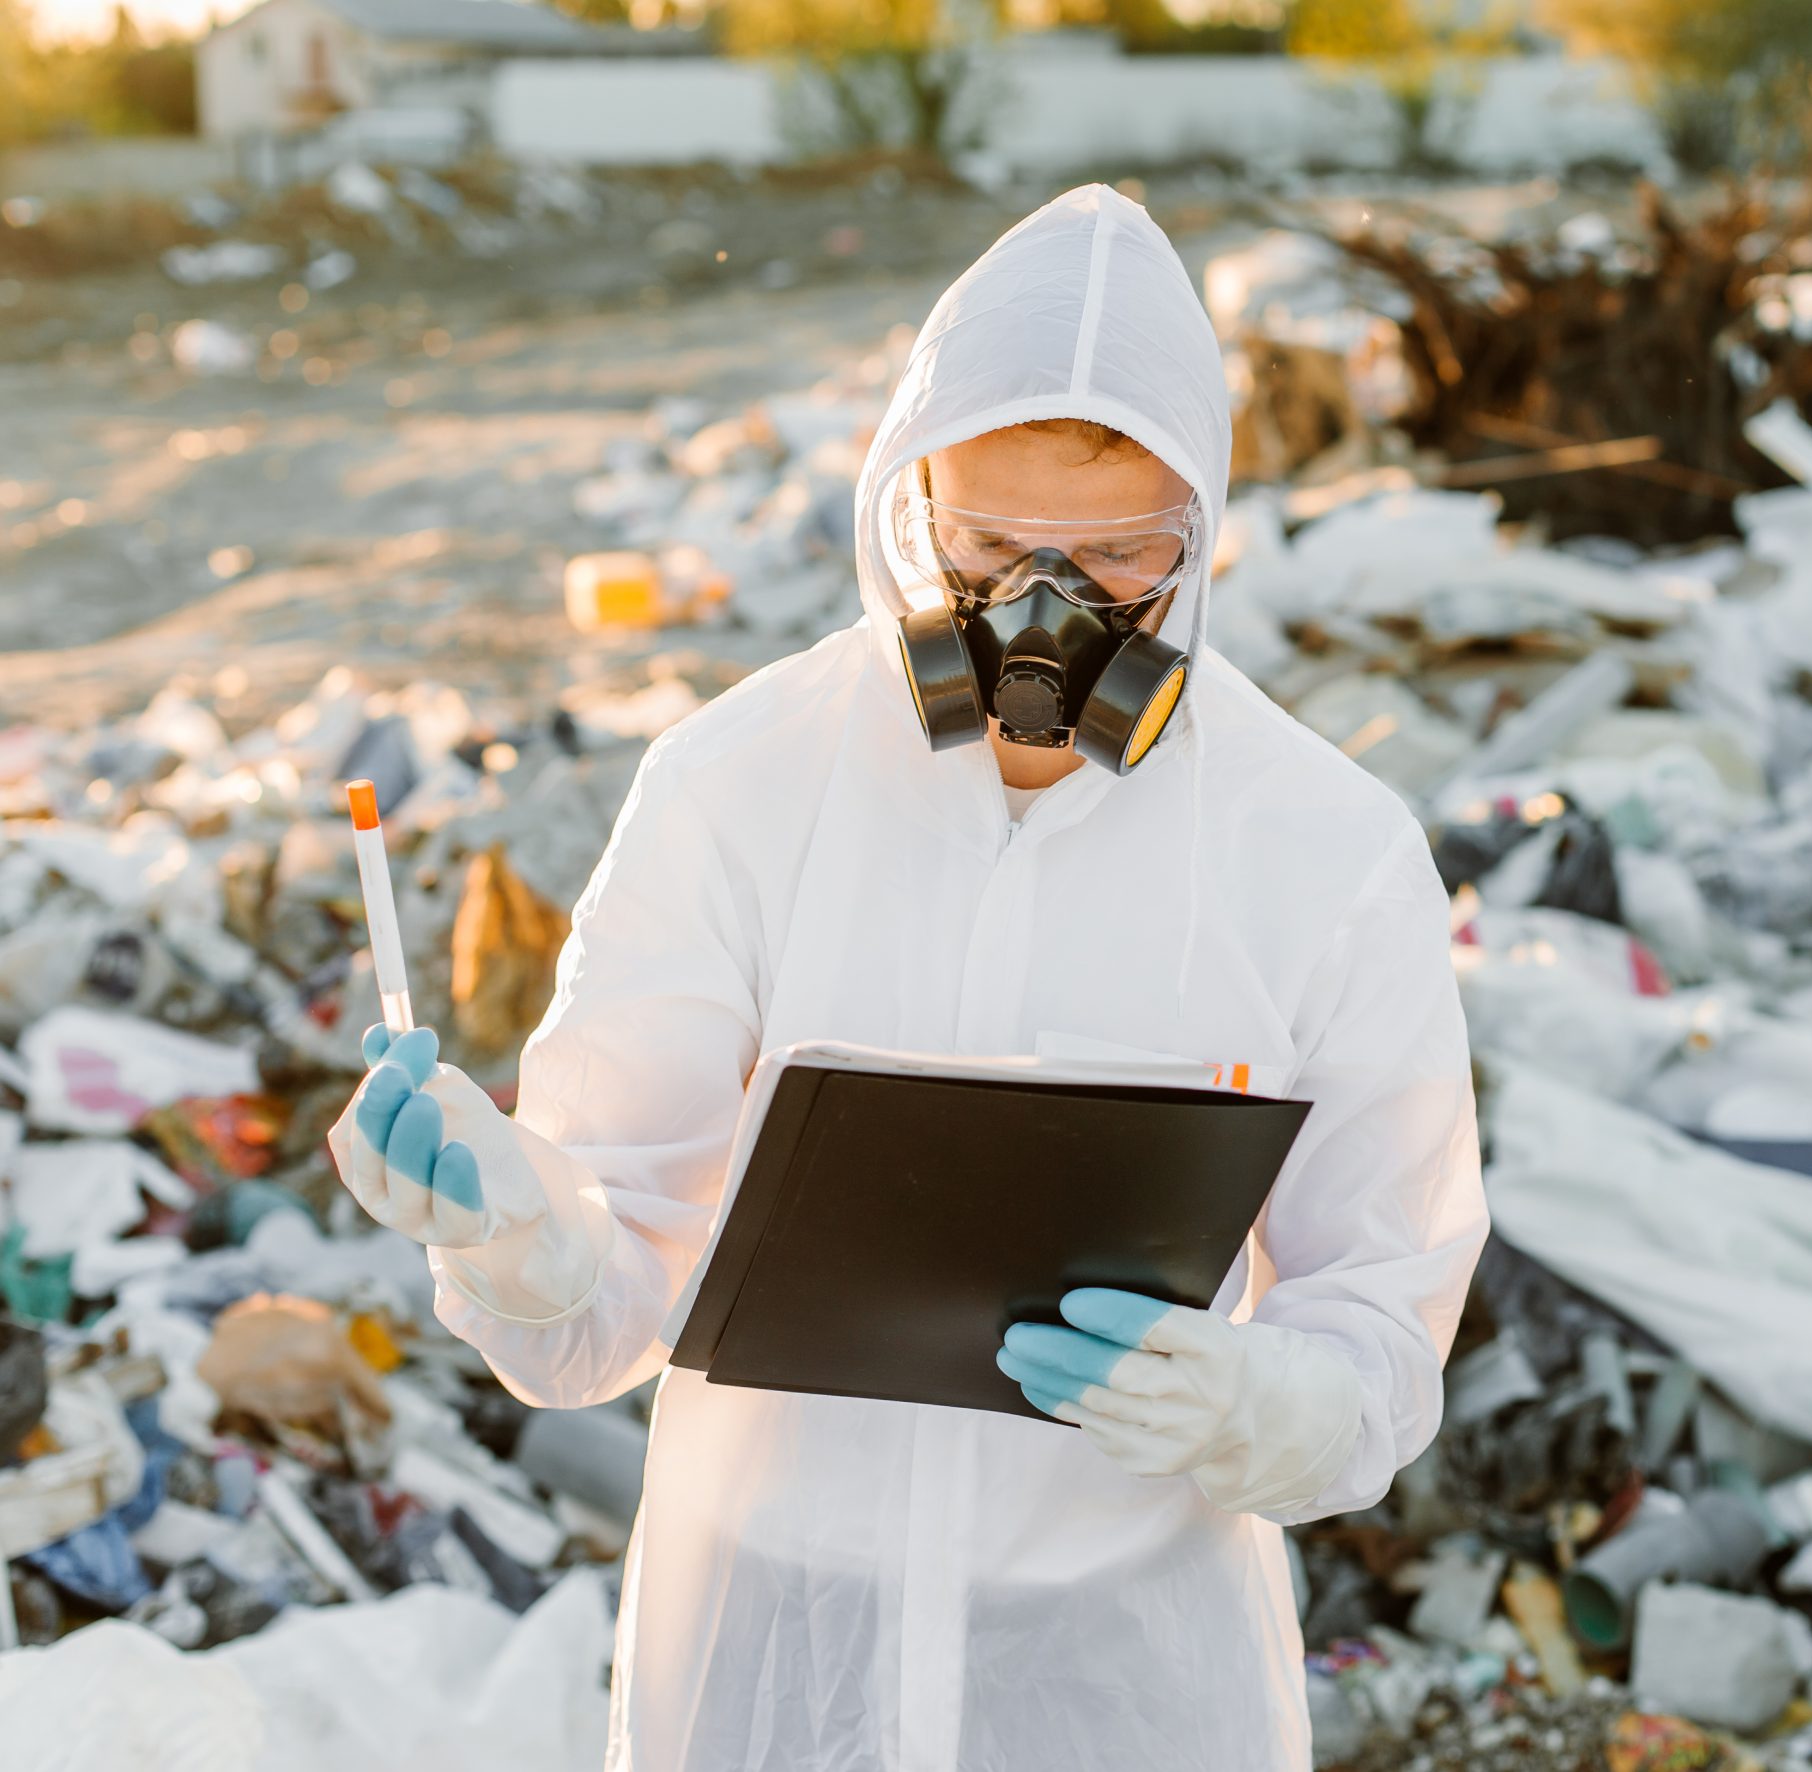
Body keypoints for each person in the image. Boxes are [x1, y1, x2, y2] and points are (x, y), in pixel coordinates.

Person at [325, 184, 1488, 1772]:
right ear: (904, 505)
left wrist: (1253, 1404)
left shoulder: (1326, 850)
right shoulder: (739, 784)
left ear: (1203, 535)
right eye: (994, 544)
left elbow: (1382, 1327)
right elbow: (602, 1308)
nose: (1042, 609)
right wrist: (509, 1220)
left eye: (1119, 556)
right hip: (766, 1660)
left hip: (1127, 1677)